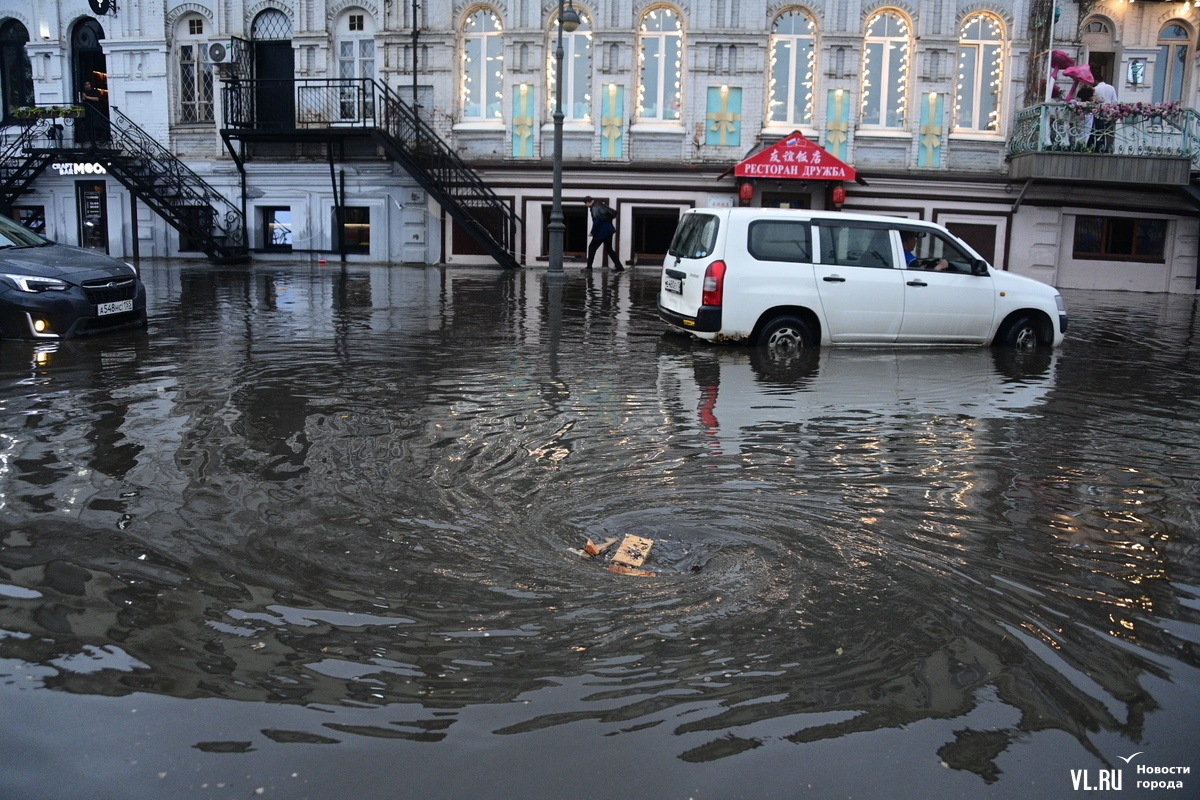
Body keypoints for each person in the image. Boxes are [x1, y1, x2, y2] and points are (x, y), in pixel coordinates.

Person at [584, 196, 622, 271]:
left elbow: (596, 222)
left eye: (585, 203)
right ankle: (619, 267)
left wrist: (592, 232)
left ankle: (589, 267)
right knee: (609, 249)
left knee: (591, 248)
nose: (585, 205)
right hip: (609, 231)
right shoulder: (600, 205)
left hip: (601, 233)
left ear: (589, 202)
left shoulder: (594, 208)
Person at [1091, 77, 1117, 153]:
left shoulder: (1095, 89)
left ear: (1096, 80)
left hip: (1098, 112)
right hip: (1109, 112)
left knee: (1098, 130)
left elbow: (1093, 101)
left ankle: (1098, 147)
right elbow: (1114, 101)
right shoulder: (1111, 88)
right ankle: (1107, 147)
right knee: (1108, 131)